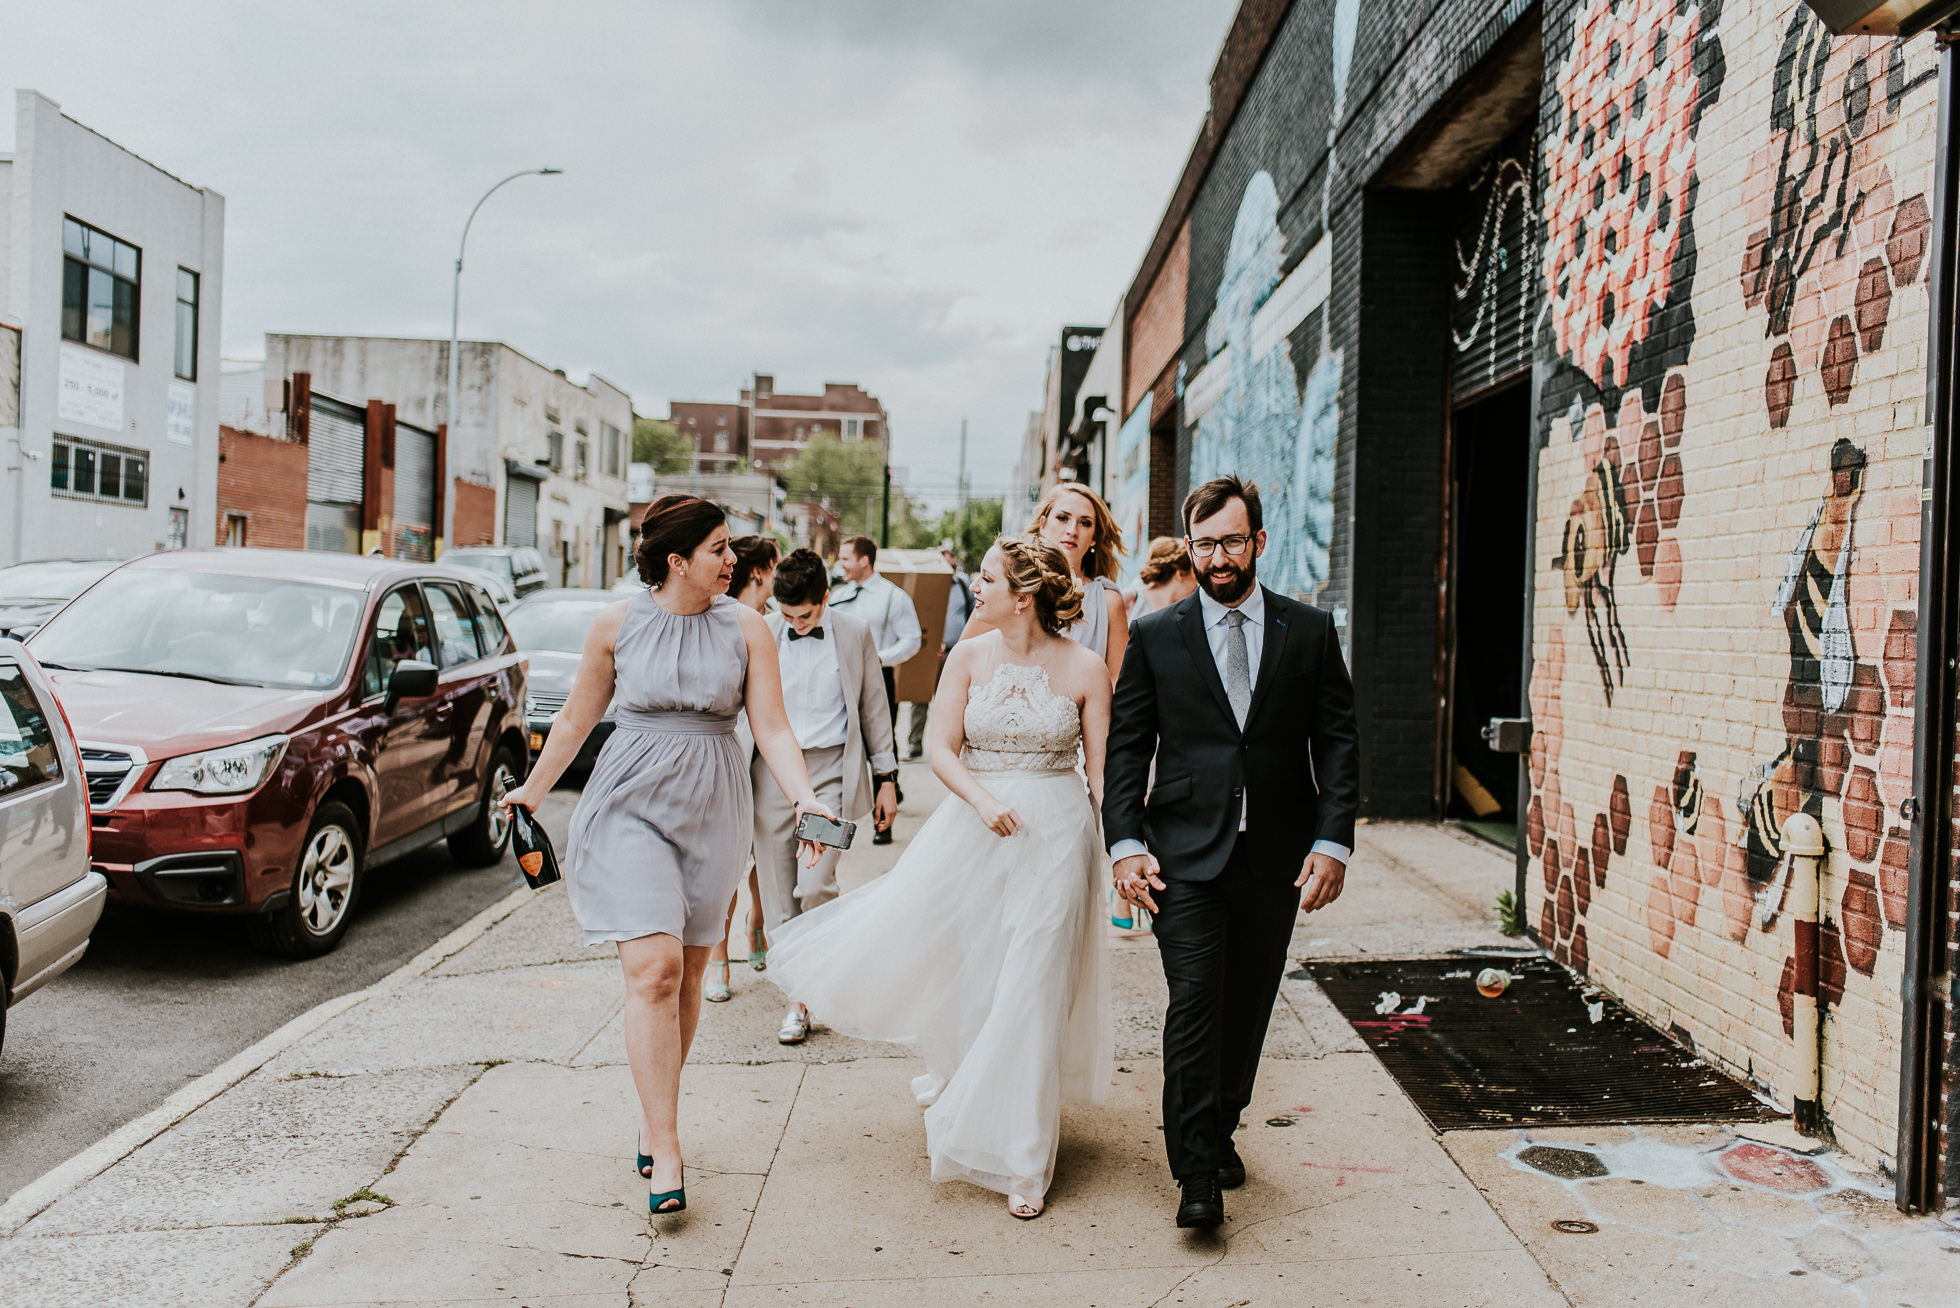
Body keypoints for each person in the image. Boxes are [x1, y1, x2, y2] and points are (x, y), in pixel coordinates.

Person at [501, 496, 831, 1218]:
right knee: (653, 972)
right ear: (678, 559)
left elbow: (772, 729)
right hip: (630, 804)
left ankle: (652, 1117)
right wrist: (531, 790)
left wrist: (805, 797)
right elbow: (577, 716)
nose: (733, 560)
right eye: (718, 548)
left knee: (687, 980)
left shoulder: (749, 628)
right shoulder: (616, 625)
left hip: (714, 808)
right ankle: (669, 1145)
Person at [769, 535, 1113, 1221]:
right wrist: (982, 800)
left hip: (1056, 838)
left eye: (984, 579)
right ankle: (966, 1082)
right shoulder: (968, 654)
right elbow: (939, 746)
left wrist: (1114, 852)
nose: (973, 588)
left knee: (1035, 988)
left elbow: (1101, 775)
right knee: (979, 977)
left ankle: (1022, 1156)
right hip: (975, 831)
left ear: (1024, 596)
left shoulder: (1085, 668)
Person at [1103, 475, 1360, 1231]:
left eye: (1233, 540)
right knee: (1195, 1005)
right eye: (1205, 543)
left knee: (1246, 1009)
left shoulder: (1309, 631)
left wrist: (1333, 839)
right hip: (1183, 854)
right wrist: (1124, 846)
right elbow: (1127, 750)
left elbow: (1338, 744)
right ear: (1190, 547)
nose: (1219, 556)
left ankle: (1219, 1128)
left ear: (1260, 542)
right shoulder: (1156, 634)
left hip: (1277, 855)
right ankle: (1195, 1175)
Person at [754, 549, 900, 1044]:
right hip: (771, 775)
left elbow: (874, 708)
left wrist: (887, 777)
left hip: (831, 773)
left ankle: (819, 979)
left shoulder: (855, 632)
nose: (795, 625)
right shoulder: (762, 632)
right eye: (786, 615)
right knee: (778, 897)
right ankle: (797, 1000)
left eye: (806, 615)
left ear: (826, 599)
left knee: (814, 886)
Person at [707, 535, 781, 1004]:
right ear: (760, 572)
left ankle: (758, 924)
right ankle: (719, 961)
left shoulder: (776, 625)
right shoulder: (719, 622)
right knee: (721, 864)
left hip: (768, 754)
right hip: (725, 754)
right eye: (773, 569)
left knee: (766, 850)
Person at [963, 483, 1127, 685]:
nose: (1072, 530)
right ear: (1043, 524)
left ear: (1094, 538)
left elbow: (1116, 679)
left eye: (1085, 523)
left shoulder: (1107, 600)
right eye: (1062, 518)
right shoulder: (1007, 586)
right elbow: (964, 660)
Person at [828, 535, 921, 844]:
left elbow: (911, 639)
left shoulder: (893, 597)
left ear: (863, 560)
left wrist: (879, 658)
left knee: (882, 745)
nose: (839, 564)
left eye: (845, 558)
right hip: (839, 679)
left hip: (878, 678)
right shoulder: (837, 595)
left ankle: (883, 824)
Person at [903, 541, 975, 761]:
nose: (951, 570)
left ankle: (952, 747)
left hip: (956, 651)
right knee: (920, 699)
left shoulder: (963, 585)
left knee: (954, 701)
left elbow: (974, 615)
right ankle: (915, 744)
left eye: (952, 565)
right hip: (930, 652)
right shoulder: (927, 586)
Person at [1131, 537, 1197, 616]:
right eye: (1194, 573)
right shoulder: (1132, 602)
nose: (1197, 583)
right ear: (1180, 574)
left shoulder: (1185, 611)